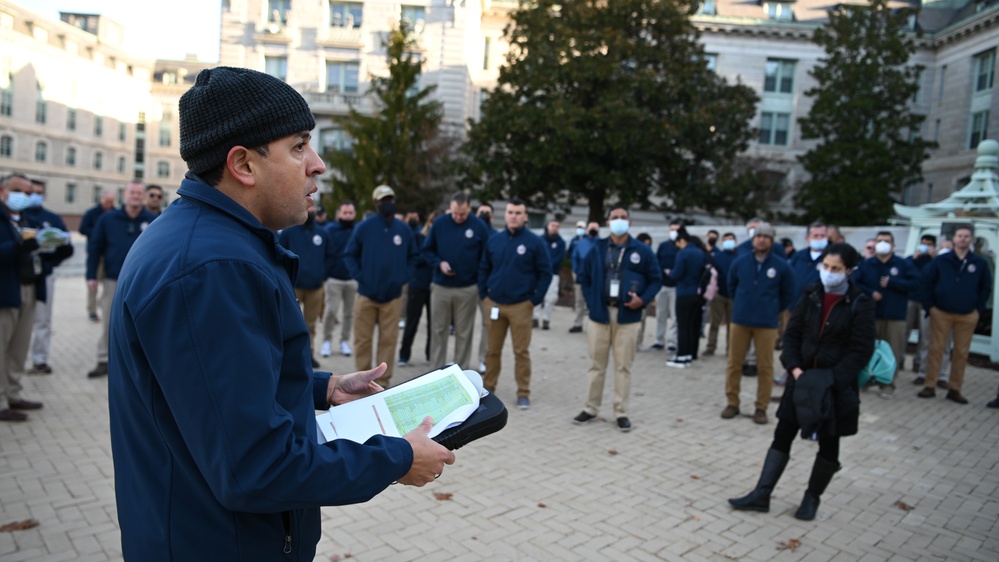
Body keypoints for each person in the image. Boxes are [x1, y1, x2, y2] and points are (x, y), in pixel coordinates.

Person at [107, 67, 454, 561]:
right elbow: (254, 467)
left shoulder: (214, 244)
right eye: (298, 147)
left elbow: (208, 382)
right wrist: (397, 457)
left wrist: (320, 387)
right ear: (243, 165)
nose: (318, 165)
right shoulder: (211, 267)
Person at [728, 243, 875, 521]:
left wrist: (832, 380)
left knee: (829, 444)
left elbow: (861, 350)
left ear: (850, 271)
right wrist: (794, 368)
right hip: (801, 379)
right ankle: (762, 493)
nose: (829, 273)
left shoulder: (860, 303)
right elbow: (792, 335)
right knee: (783, 434)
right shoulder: (810, 295)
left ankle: (811, 498)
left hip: (834, 387)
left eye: (836, 269)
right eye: (826, 266)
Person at [573, 207, 661, 432]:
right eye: (615, 218)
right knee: (596, 365)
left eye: (623, 218)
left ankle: (621, 411)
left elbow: (656, 279)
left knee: (624, 366)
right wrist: (593, 304)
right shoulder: (598, 249)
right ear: (608, 222)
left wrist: (643, 300)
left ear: (629, 222)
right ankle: (591, 408)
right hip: (600, 315)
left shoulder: (641, 250)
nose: (619, 221)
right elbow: (585, 278)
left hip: (628, 316)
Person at [478, 199, 552, 409]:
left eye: (518, 213)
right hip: (494, 304)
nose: (514, 216)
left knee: (521, 352)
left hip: (521, 305)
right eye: (510, 212)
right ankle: (488, 388)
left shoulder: (535, 242)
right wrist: (484, 294)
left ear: (525, 216)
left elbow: (545, 273)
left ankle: (523, 392)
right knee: (492, 351)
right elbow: (484, 268)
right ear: (505, 215)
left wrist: (533, 301)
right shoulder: (495, 240)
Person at [344, 185, 417, 388]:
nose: (388, 204)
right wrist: (361, 277)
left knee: (388, 341)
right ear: (376, 203)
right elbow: (350, 254)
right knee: (363, 340)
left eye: (390, 200)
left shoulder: (403, 230)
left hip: (392, 297)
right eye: (383, 201)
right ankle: (361, 382)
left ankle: (382, 382)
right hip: (366, 295)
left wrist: (403, 277)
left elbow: (414, 256)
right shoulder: (364, 227)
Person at [722, 222, 794, 424]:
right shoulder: (741, 261)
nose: (761, 239)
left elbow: (787, 293)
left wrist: (772, 308)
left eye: (766, 236)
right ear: (753, 239)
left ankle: (761, 407)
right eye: (758, 236)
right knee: (734, 363)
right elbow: (731, 285)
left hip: (767, 323)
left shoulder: (781, 266)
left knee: (765, 366)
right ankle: (732, 402)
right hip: (740, 320)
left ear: (771, 241)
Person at [85, 180, 156, 379]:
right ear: (124, 194)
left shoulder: (153, 220)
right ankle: (103, 360)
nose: (136, 195)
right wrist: (91, 275)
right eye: (132, 192)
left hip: (144, 281)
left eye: (139, 192)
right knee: (109, 320)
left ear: (143, 196)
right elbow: (95, 249)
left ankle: (138, 365)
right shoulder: (107, 220)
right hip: (112, 279)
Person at [918, 225, 993, 404]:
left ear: (972, 240)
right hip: (941, 312)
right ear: (954, 239)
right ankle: (930, 385)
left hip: (967, 314)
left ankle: (955, 388)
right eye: (960, 236)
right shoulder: (942, 260)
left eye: (967, 236)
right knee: (936, 349)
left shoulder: (979, 263)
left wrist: (978, 310)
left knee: (961, 352)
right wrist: (931, 307)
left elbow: (985, 288)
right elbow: (927, 283)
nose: (963, 239)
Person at [423, 192, 491, 370]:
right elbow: (426, 250)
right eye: (454, 213)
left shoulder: (479, 226)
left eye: (462, 214)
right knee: (438, 330)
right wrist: (439, 263)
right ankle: (435, 371)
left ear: (469, 208)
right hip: (441, 286)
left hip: (467, 288)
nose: (458, 217)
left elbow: (486, 257)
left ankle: (461, 372)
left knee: (464, 333)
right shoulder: (439, 223)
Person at [0, 174, 49, 421]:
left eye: (29, 193)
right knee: (2, 345)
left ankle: (13, 393)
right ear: (2, 191)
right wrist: (19, 246)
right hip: (5, 290)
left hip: (27, 287)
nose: (25, 197)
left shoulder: (26, 218)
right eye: (19, 191)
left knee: (19, 347)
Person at [852, 231, 919, 399]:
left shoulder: (902, 264)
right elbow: (855, 282)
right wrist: (870, 292)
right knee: (868, 349)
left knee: (893, 351)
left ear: (893, 245)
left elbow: (915, 283)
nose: (883, 244)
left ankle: (887, 384)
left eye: (886, 241)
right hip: (871, 315)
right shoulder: (867, 264)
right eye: (880, 241)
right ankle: (866, 380)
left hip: (895, 315)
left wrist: (893, 282)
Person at [24, 179, 74, 375]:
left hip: (43, 275)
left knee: (43, 320)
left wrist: (50, 263)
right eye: (30, 192)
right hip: (17, 276)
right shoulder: (19, 217)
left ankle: (40, 359)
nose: (34, 196)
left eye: (38, 192)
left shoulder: (51, 218)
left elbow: (67, 246)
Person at [278, 204, 334, 367]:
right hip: (293, 286)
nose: (310, 210)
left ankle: (308, 355)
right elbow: (279, 253)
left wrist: (322, 274)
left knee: (310, 324)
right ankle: (287, 357)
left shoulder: (323, 233)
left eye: (313, 208)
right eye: (308, 207)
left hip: (315, 287)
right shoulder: (289, 232)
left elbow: (330, 256)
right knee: (289, 322)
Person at [906, 234, 950, 385]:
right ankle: (922, 371)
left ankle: (941, 375)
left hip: (944, 307)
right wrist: (915, 258)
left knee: (943, 343)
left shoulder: (944, 263)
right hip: (923, 303)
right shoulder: (917, 260)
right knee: (925, 339)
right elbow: (918, 277)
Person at [321, 201, 357, 358]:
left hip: (352, 279)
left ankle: (344, 340)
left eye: (350, 213)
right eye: (345, 213)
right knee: (331, 311)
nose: (348, 215)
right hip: (334, 278)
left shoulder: (358, 230)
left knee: (349, 313)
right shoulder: (329, 230)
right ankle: (327, 340)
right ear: (339, 214)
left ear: (354, 214)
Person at [398, 211, 435, 366]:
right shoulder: (419, 236)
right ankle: (404, 355)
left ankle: (430, 354)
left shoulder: (438, 240)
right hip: (418, 284)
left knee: (433, 324)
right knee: (412, 322)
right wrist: (430, 258)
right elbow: (415, 256)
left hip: (434, 286)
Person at [666, 228, 706, 368]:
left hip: (684, 292)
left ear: (682, 241)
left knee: (682, 326)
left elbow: (677, 274)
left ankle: (681, 356)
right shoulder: (700, 252)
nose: (677, 246)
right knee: (691, 326)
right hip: (696, 293)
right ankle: (689, 354)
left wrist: (669, 272)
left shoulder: (683, 254)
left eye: (678, 243)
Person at [78, 189, 116, 322]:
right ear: (101, 199)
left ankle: (105, 304)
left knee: (110, 284)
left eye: (112, 202)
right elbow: (82, 229)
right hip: (96, 254)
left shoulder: (114, 213)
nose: (109, 204)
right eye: (107, 201)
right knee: (93, 283)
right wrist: (99, 231)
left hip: (110, 255)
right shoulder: (92, 213)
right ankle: (92, 309)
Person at [652, 219, 682, 351]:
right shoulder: (663, 246)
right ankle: (659, 340)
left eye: (676, 230)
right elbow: (656, 263)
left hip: (676, 286)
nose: (674, 232)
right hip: (662, 285)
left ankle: (672, 341)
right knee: (660, 314)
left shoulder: (683, 247)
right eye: (672, 229)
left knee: (675, 316)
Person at [705, 232, 736, 356]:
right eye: (726, 239)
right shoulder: (717, 256)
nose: (728, 241)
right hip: (719, 294)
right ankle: (710, 347)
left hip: (734, 296)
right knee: (714, 323)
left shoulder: (739, 257)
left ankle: (730, 349)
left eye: (731, 239)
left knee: (732, 325)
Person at [533, 219, 566, 330]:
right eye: (553, 225)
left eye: (557, 226)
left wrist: (547, 266)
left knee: (550, 297)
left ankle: (546, 319)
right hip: (539, 272)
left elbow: (559, 258)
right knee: (537, 294)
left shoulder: (561, 242)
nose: (555, 228)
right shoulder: (540, 240)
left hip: (553, 273)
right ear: (548, 226)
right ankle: (535, 318)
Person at [569, 221, 600, 333]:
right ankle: (578, 323)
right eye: (591, 227)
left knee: (594, 301)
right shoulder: (581, 243)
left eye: (595, 228)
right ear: (587, 229)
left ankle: (594, 324)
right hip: (581, 276)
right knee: (579, 301)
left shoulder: (601, 244)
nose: (593, 230)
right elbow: (574, 257)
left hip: (595, 278)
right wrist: (577, 271)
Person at [635, 232, 654, 350]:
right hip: (632, 293)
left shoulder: (651, 258)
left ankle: (638, 342)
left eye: (649, 245)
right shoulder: (633, 257)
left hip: (644, 295)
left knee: (642, 319)